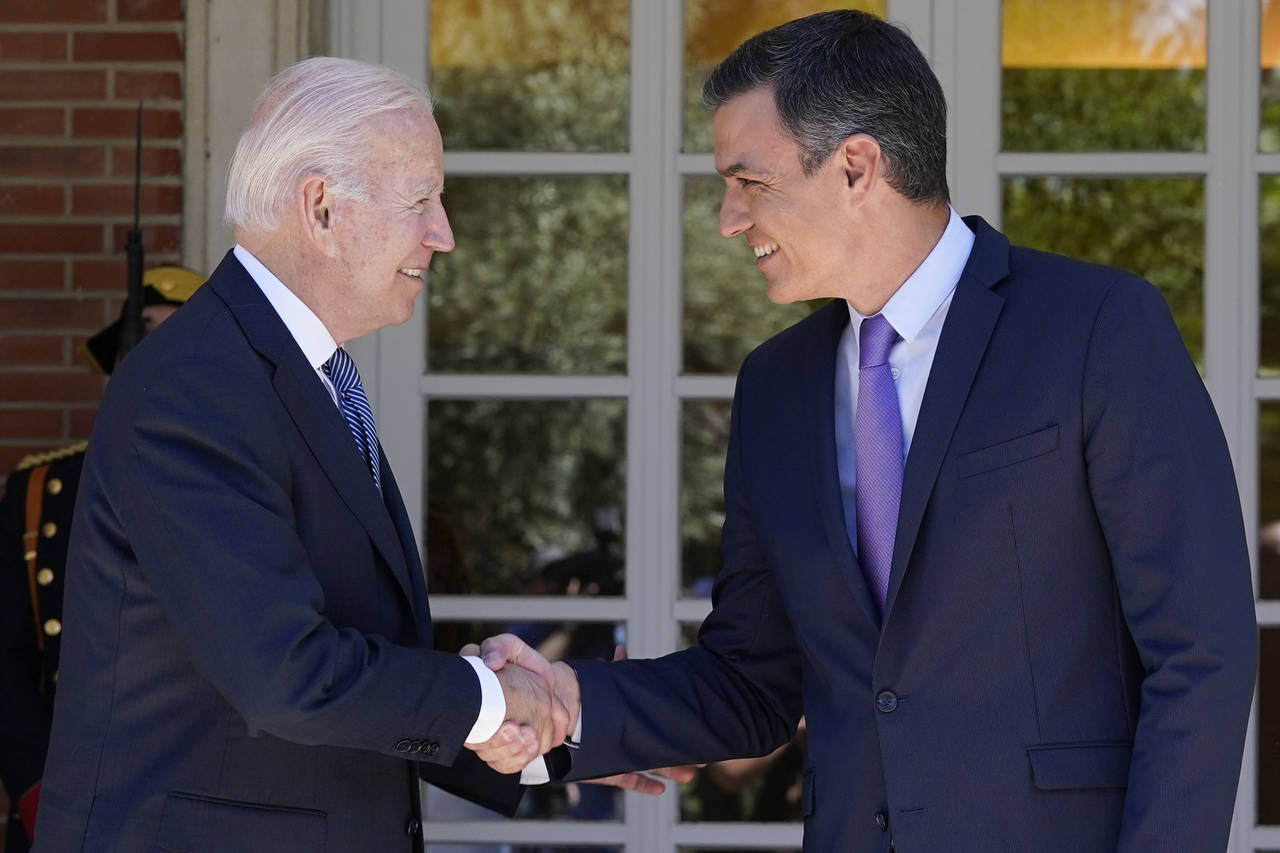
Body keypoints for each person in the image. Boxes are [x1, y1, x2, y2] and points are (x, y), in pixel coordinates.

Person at [467, 10, 1258, 852]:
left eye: (749, 181)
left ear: (856, 165)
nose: (730, 218)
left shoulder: (1095, 328)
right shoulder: (775, 387)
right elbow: (751, 678)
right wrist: (567, 701)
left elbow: (1200, 652)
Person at [31, 57, 572, 853]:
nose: (443, 232)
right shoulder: (196, 381)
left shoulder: (283, 369)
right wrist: (490, 701)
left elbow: (351, 646)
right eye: (422, 198)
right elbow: (287, 672)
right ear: (320, 207)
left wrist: (539, 736)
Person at [0, 264, 203, 853]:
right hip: (67, 803)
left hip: (204, 805)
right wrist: (40, 795)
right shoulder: (40, 493)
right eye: (141, 347)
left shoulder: (250, 487)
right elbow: (7, 662)